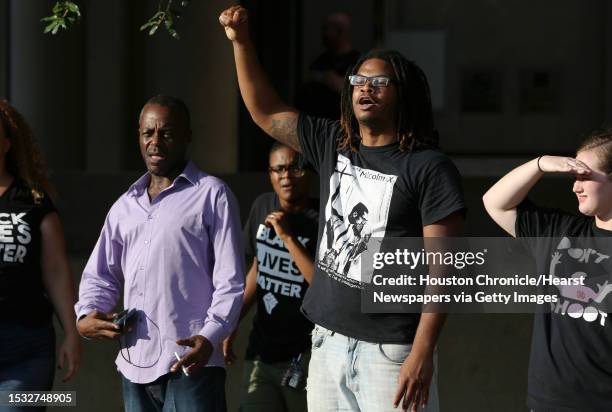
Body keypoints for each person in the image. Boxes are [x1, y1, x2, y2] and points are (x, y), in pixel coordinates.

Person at [219, 6, 466, 412]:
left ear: (403, 92)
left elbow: (445, 269)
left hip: (391, 352)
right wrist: (241, 42)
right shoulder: (333, 143)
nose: (365, 88)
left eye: (379, 82)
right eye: (358, 81)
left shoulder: (428, 167)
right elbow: (265, 111)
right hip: (327, 341)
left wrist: (421, 353)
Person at [75, 95, 244, 412]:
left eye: (166, 133)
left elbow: (231, 282)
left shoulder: (212, 195)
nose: (155, 142)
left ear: (187, 137)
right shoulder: (125, 205)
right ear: (138, 135)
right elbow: (101, 274)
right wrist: (87, 313)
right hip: (134, 362)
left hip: (192, 363)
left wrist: (209, 337)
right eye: (147, 133)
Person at [483, 131, 612, 412]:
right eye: (573, 177)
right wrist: (540, 164)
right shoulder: (558, 233)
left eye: (585, 176)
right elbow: (495, 202)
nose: (575, 187)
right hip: (548, 403)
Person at [224, 142, 318, 412]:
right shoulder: (262, 206)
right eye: (278, 170)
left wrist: (288, 238)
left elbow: (322, 286)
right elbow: (258, 267)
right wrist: (231, 322)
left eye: (294, 169)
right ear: (270, 174)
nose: (286, 177)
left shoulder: (323, 217)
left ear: (309, 173)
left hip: (305, 356)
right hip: (261, 353)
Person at [0, 100, 81, 410]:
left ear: (7, 143)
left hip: (26, 349)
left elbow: (56, 270)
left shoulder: (32, 200)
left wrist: (72, 333)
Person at [296, 12, 360, 120]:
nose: (323, 34)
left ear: (341, 31)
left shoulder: (358, 62)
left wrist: (339, 84)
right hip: (319, 123)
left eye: (327, 29)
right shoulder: (320, 61)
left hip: (344, 122)